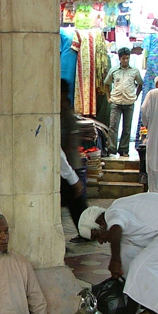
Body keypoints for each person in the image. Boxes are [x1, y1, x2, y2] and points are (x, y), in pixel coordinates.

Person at [60, 78, 88, 242]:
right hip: (68, 165)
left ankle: (87, 231)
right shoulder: (64, 110)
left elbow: (69, 141)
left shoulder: (66, 112)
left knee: (76, 201)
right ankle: (87, 231)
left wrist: (70, 170)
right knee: (75, 202)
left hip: (69, 164)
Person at [103, 46, 143, 157]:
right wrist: (108, 97)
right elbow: (106, 84)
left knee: (127, 127)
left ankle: (124, 150)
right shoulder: (114, 70)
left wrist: (136, 96)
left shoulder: (134, 71)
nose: (125, 60)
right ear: (119, 58)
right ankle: (111, 149)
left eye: (127, 58)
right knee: (113, 127)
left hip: (129, 103)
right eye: (123, 58)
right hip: (116, 102)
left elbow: (140, 83)